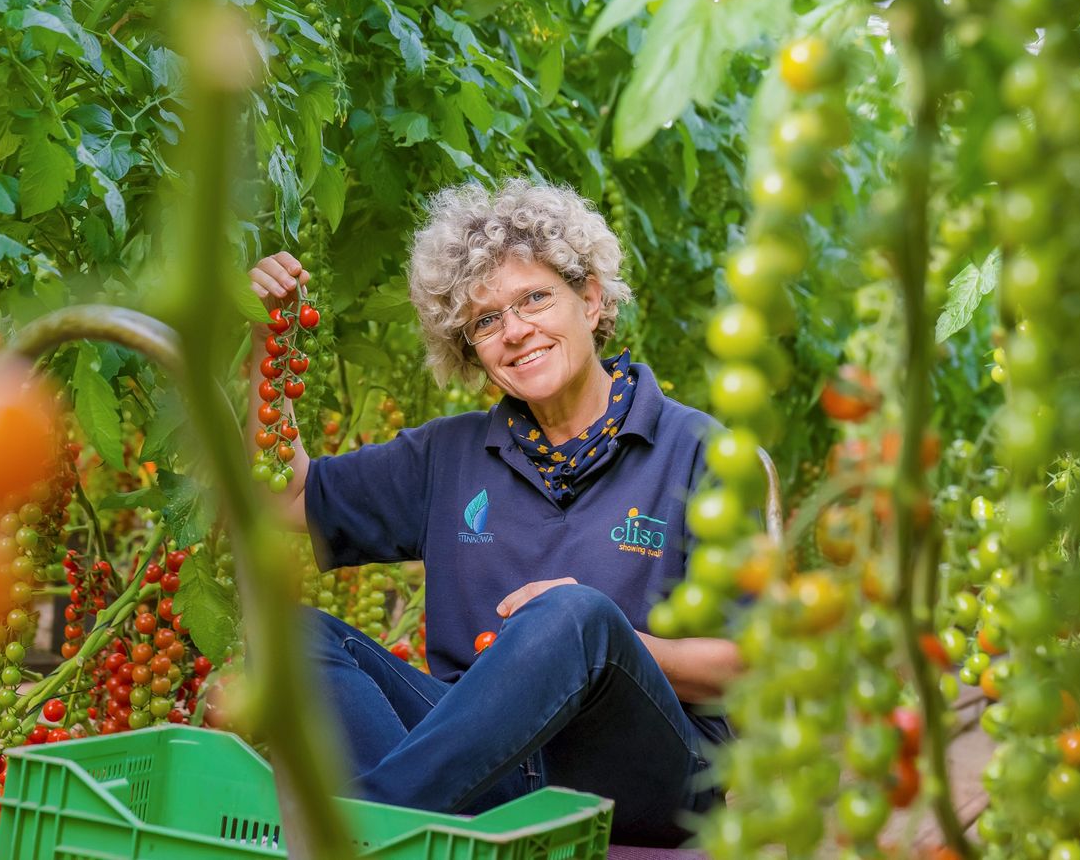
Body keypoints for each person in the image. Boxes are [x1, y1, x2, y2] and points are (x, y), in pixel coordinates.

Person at [247, 178, 743, 846]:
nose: (515, 331)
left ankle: (364, 832)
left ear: (591, 300)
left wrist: (601, 648)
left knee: (577, 615)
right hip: (482, 767)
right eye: (485, 321)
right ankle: (392, 828)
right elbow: (286, 496)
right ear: (470, 349)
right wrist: (266, 344)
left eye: (535, 298)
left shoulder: (698, 451)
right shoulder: (448, 457)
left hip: (646, 775)